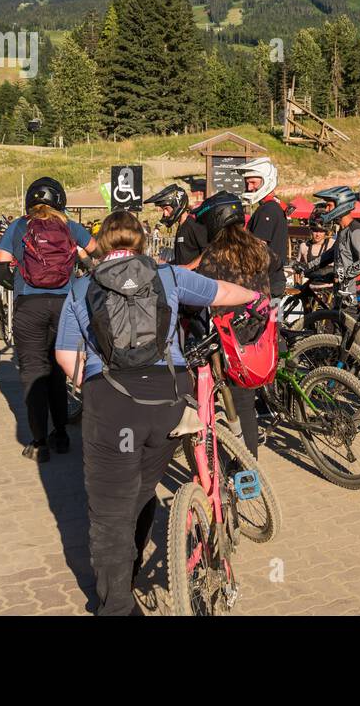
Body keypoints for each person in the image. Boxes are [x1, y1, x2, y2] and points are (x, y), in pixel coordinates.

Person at [53, 209, 261, 617]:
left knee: (111, 509)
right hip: (168, 398)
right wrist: (258, 297)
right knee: (143, 490)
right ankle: (132, 568)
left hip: (111, 403)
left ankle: (117, 605)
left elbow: (64, 354)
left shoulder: (80, 288)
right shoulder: (168, 276)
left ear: (104, 245)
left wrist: (90, 383)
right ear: (141, 243)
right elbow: (222, 292)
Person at [0, 177, 97, 461]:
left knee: (33, 373)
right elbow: (98, 253)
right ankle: (61, 434)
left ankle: (39, 443)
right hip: (64, 304)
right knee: (57, 370)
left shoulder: (18, 226)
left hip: (29, 306)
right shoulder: (70, 226)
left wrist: (18, 284)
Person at [193, 191, 279, 459]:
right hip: (261, 335)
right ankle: (249, 466)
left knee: (235, 407)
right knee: (247, 407)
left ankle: (244, 469)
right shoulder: (259, 248)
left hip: (231, 341)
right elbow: (276, 263)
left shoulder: (214, 255)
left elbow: (199, 291)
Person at [303, 186, 360, 300]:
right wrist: (307, 267)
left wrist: (343, 273)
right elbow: (330, 255)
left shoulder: (355, 231)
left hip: (356, 295)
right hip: (342, 292)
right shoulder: (342, 231)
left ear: (341, 205)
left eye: (329, 205)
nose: (326, 210)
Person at [237, 157, 288, 302]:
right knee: (272, 322)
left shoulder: (267, 210)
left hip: (266, 282)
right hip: (273, 279)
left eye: (253, 182)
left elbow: (257, 248)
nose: (249, 188)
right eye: (247, 183)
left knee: (259, 323)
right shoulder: (272, 207)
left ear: (266, 181)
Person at [144, 183, 207, 268]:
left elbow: (209, 252)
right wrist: (165, 265)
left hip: (195, 278)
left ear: (177, 206)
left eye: (166, 209)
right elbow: (182, 261)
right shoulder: (181, 227)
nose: (165, 214)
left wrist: (189, 267)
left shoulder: (193, 225)